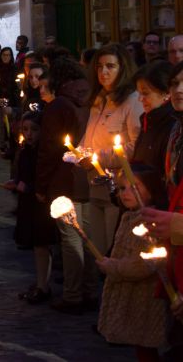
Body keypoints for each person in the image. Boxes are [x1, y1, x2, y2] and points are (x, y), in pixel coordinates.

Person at [80, 44, 142, 279]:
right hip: (94, 184)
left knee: (113, 249)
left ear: (122, 68)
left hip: (117, 188)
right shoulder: (98, 101)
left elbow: (135, 146)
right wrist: (79, 153)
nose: (103, 72)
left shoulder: (131, 101)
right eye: (99, 67)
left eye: (110, 66)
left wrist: (101, 157)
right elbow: (89, 137)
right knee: (98, 250)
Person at [34, 57, 90, 315]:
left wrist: (41, 184)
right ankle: (85, 289)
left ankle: (73, 293)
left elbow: (49, 149)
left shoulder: (59, 106)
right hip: (84, 177)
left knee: (70, 238)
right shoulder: (87, 101)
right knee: (84, 236)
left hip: (62, 178)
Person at [97, 165, 169, 360]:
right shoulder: (128, 217)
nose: (125, 193)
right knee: (140, 344)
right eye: (122, 188)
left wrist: (113, 267)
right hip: (130, 294)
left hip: (145, 296)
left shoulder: (151, 222)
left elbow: (146, 263)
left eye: (134, 187)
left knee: (146, 344)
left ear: (152, 189)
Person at [5, 111, 56, 303]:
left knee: (41, 244)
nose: (29, 134)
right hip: (28, 202)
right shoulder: (26, 150)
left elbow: (44, 178)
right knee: (36, 245)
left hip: (40, 203)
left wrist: (29, 186)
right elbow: (24, 174)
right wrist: (15, 182)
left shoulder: (42, 152)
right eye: (25, 129)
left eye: (34, 129)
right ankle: (41, 282)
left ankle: (43, 285)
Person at [131, 62, 175, 204]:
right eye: (139, 93)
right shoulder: (148, 121)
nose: (140, 99)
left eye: (145, 93)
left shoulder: (172, 125)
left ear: (166, 93)